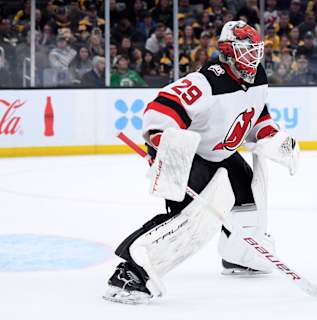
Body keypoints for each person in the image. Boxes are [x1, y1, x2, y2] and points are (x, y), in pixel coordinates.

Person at [103, 20, 299, 304]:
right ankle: (129, 274)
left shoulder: (258, 78)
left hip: (222, 154)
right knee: (191, 217)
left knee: (249, 201)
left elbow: (257, 115)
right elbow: (163, 108)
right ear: (227, 52)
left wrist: (272, 136)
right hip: (190, 156)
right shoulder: (206, 81)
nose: (253, 57)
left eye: (255, 50)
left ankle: (240, 256)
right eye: (245, 50)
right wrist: (161, 141)